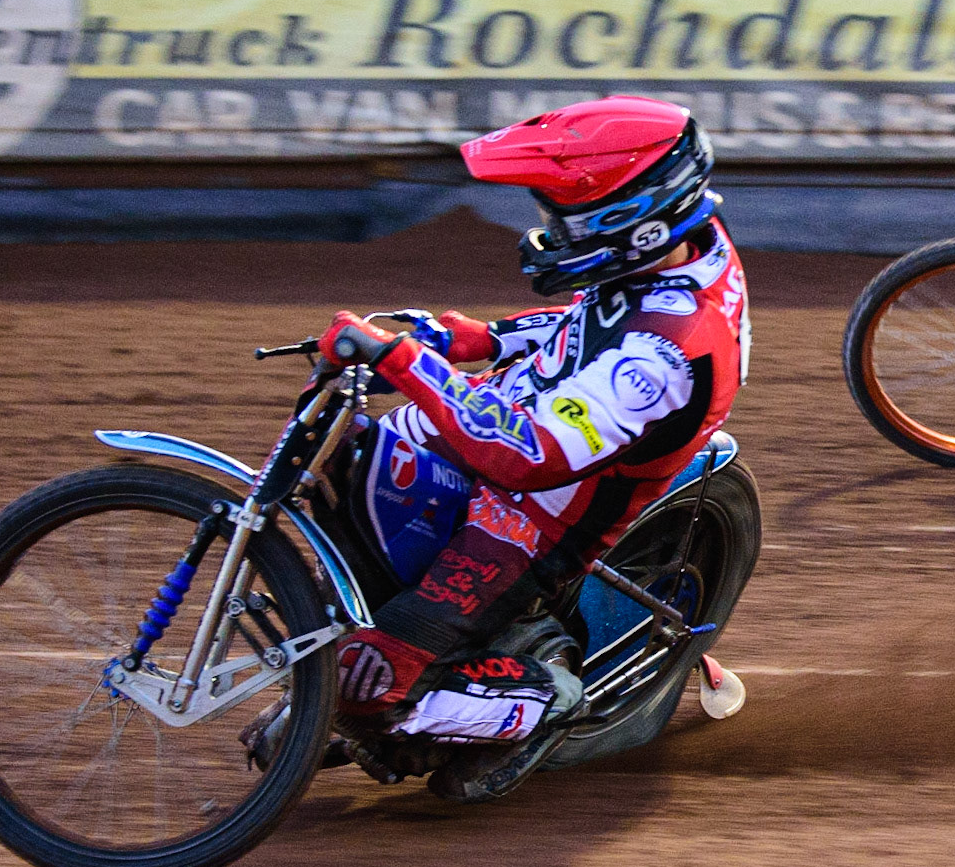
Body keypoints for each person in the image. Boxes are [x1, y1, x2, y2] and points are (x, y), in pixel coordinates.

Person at [311, 97, 748, 800]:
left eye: (562, 218)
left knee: (366, 681)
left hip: (533, 517)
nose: (546, 232)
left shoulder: (667, 355)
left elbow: (527, 455)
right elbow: (587, 321)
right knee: (354, 472)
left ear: (630, 218)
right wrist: (471, 340)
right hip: (526, 425)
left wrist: (406, 363)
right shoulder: (675, 251)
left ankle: (545, 699)